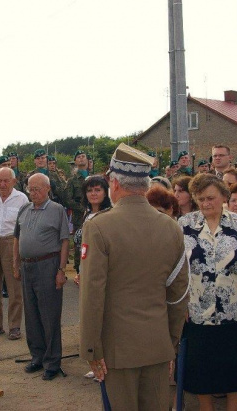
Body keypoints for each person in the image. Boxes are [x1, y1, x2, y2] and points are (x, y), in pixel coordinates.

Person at [80, 144, 189, 410]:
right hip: (157, 343)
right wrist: (170, 341)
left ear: (114, 183)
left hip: (117, 351)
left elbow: (92, 296)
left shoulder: (98, 226)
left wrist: (91, 349)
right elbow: (179, 293)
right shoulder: (171, 227)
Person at [179, 173, 237, 411]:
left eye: (211, 198)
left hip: (236, 311)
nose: (206, 203)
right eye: (201, 198)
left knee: (234, 367)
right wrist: (180, 305)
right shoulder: (184, 225)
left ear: (224, 197)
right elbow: (177, 271)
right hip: (197, 311)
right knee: (201, 370)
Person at [13, 173, 69, 381]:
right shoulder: (24, 209)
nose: (33, 193)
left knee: (50, 315)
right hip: (28, 267)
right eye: (30, 189)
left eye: (37, 189)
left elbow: (64, 241)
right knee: (32, 314)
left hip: (49, 265)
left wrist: (61, 271)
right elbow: (16, 238)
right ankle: (37, 356)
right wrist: (15, 264)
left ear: (47, 189)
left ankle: (53, 361)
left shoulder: (57, 210)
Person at [0, 167, 29, 341]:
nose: (2, 184)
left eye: (6, 181)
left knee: (14, 287)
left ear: (14, 181)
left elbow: (25, 225)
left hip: (12, 242)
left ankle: (15, 326)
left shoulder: (22, 199)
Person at [72, 176, 111, 286]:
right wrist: (80, 271)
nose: (93, 193)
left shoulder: (109, 215)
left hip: (100, 271)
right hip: (85, 267)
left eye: (98, 190)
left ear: (105, 193)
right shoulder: (87, 214)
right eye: (89, 191)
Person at [61, 150, 88, 272]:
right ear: (75, 161)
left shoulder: (93, 177)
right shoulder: (72, 180)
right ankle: (79, 269)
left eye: (83, 156)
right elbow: (68, 200)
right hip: (80, 217)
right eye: (79, 157)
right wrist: (82, 209)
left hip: (96, 215)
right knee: (79, 243)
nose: (81, 158)